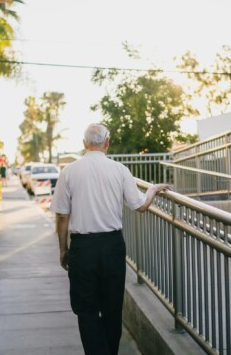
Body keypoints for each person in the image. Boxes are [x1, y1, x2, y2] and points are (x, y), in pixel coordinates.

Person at [50, 123, 171, 355]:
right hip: (112, 246)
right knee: (112, 308)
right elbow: (140, 205)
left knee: (86, 310)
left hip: (82, 248)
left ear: (84, 143)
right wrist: (152, 190)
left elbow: (62, 216)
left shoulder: (69, 171)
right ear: (107, 142)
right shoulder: (120, 170)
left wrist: (63, 249)